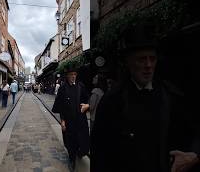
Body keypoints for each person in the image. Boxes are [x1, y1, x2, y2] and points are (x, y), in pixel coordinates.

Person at [92, 24, 200, 172]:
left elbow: (194, 132)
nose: (148, 65)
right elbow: (100, 154)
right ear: (128, 62)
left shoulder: (171, 95)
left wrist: (194, 154)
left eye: (152, 59)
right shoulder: (112, 101)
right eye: (141, 59)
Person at [52, 66, 90, 170]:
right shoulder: (63, 88)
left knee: (83, 140)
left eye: (75, 75)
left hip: (81, 120)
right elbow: (60, 106)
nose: (73, 77)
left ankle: (81, 152)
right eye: (71, 75)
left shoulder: (80, 86)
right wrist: (63, 121)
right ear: (67, 76)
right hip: (69, 120)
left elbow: (88, 99)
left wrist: (88, 105)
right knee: (71, 141)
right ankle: (72, 159)